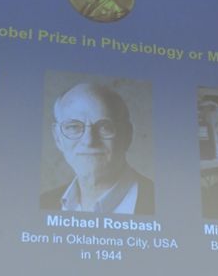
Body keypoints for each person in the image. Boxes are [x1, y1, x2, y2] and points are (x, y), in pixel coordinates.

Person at [40, 82, 154, 214]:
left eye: (104, 127)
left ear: (127, 135)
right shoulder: (44, 202)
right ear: (58, 138)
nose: (89, 141)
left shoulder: (162, 202)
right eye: (73, 127)